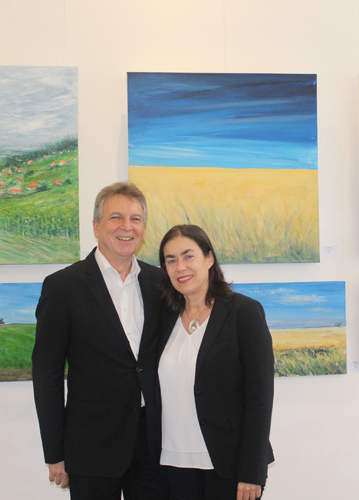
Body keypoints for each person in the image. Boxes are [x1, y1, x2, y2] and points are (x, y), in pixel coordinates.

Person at [32, 182, 168, 500]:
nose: (126, 227)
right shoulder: (63, 287)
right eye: (115, 217)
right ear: (96, 227)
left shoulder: (160, 282)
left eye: (135, 219)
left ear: (143, 229)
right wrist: (55, 452)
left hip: (153, 446)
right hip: (90, 448)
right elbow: (47, 374)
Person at [154, 224, 275, 500]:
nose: (180, 267)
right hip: (172, 463)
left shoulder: (243, 312)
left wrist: (252, 471)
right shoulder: (163, 317)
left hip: (227, 465)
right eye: (171, 260)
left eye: (188, 256)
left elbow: (259, 398)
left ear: (209, 258)